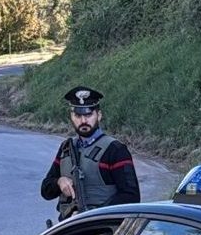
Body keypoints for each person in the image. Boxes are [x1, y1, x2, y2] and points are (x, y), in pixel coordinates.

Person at [39, 86, 140, 220]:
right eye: (78, 115)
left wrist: (90, 216)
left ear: (99, 115)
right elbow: (46, 191)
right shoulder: (66, 148)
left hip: (104, 230)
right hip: (69, 228)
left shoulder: (115, 150)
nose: (83, 121)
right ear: (71, 116)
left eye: (88, 114)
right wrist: (59, 182)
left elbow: (131, 197)